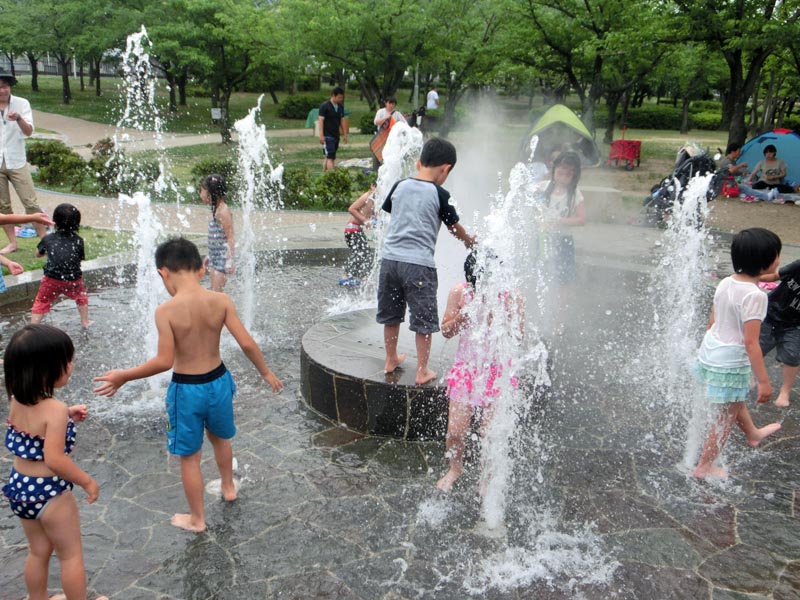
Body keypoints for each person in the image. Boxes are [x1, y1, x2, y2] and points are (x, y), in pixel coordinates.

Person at [93, 238, 283, 533]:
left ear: (163, 273)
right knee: (221, 439)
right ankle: (229, 487)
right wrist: (266, 372)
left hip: (187, 390)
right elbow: (246, 342)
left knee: (189, 457)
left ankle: (197, 519)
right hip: (219, 381)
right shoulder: (221, 301)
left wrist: (124, 376)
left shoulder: (166, 311)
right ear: (202, 268)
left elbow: (164, 361)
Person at [2, 324, 107, 600]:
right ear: (46, 370)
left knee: (38, 551)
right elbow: (55, 459)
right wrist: (87, 481)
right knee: (70, 555)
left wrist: (68, 415)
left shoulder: (15, 400)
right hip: (50, 493)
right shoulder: (55, 410)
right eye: (67, 361)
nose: (71, 365)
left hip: (21, 490)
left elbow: (34, 428)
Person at [377, 137, 476, 385]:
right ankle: (422, 370)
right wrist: (469, 241)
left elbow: (393, 210)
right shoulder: (439, 193)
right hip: (418, 265)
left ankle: (390, 359)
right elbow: (454, 227)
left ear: (420, 162)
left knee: (391, 315)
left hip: (389, 261)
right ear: (446, 169)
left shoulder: (399, 185)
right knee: (424, 320)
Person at [693, 228, 783, 479]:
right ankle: (705, 466)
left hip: (712, 351)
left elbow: (712, 320)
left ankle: (753, 433)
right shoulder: (756, 296)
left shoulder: (726, 281)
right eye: (777, 255)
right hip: (731, 361)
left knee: (733, 401)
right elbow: (751, 343)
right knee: (725, 417)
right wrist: (763, 381)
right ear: (767, 260)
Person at [436, 251, 522, 492]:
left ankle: (487, 476)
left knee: (489, 433)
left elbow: (519, 337)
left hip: (497, 372)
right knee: (455, 431)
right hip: (467, 370)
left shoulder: (511, 296)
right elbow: (445, 331)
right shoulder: (459, 292)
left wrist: (503, 321)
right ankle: (455, 468)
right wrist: (463, 317)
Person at [535, 151, 586, 329]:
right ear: (554, 170)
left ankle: (559, 321)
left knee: (563, 281)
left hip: (563, 241)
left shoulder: (574, 194)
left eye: (569, 174)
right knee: (538, 274)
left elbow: (581, 219)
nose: (564, 177)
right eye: (561, 172)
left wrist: (559, 221)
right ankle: (537, 314)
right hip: (541, 239)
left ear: (575, 175)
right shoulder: (542, 187)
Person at [0, 72, 48, 254]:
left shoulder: (22, 103)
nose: (2, 90)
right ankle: (12, 243)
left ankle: (45, 240)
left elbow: (28, 132)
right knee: (3, 206)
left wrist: (18, 118)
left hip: (17, 160)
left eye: (5, 86)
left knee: (30, 202)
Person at [31, 203, 91, 328]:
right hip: (73, 278)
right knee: (81, 297)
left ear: (54, 221)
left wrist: (43, 250)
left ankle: (33, 327)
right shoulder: (78, 240)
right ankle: (85, 321)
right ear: (77, 223)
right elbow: (79, 259)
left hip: (51, 279)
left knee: (42, 301)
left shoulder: (48, 239)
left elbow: (38, 254)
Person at [758, 256, 800, 407]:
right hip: (770, 313)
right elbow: (775, 275)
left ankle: (785, 391)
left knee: (792, 356)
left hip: (794, 324)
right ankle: (748, 377)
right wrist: (753, 278)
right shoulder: (798, 265)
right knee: (756, 348)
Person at [199, 174, 234, 292]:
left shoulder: (223, 212)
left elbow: (230, 237)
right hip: (215, 258)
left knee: (217, 294)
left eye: (201, 191)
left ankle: (226, 310)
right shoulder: (216, 210)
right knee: (214, 292)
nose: (200, 195)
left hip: (223, 260)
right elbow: (217, 238)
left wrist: (230, 261)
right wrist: (210, 255)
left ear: (210, 193)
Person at [340, 183, 377, 287]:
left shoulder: (375, 200)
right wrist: (365, 220)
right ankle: (346, 276)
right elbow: (352, 209)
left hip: (357, 230)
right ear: (372, 186)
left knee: (365, 253)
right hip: (352, 229)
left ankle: (363, 277)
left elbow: (371, 213)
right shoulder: (367, 196)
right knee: (361, 252)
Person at [372, 97, 408, 169]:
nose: (391, 105)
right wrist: (385, 118)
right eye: (390, 103)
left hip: (392, 138)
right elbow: (376, 122)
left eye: (393, 104)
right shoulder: (380, 112)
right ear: (386, 103)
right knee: (377, 153)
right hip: (381, 137)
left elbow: (405, 124)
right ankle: (376, 169)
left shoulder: (397, 114)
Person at [318, 87, 347, 171]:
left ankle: (324, 175)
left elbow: (342, 121)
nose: (340, 99)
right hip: (327, 135)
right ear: (333, 96)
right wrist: (321, 135)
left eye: (342, 97)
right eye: (339, 97)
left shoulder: (340, 107)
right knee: (330, 157)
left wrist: (345, 134)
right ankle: (331, 175)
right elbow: (320, 121)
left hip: (336, 135)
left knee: (330, 157)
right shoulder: (325, 106)